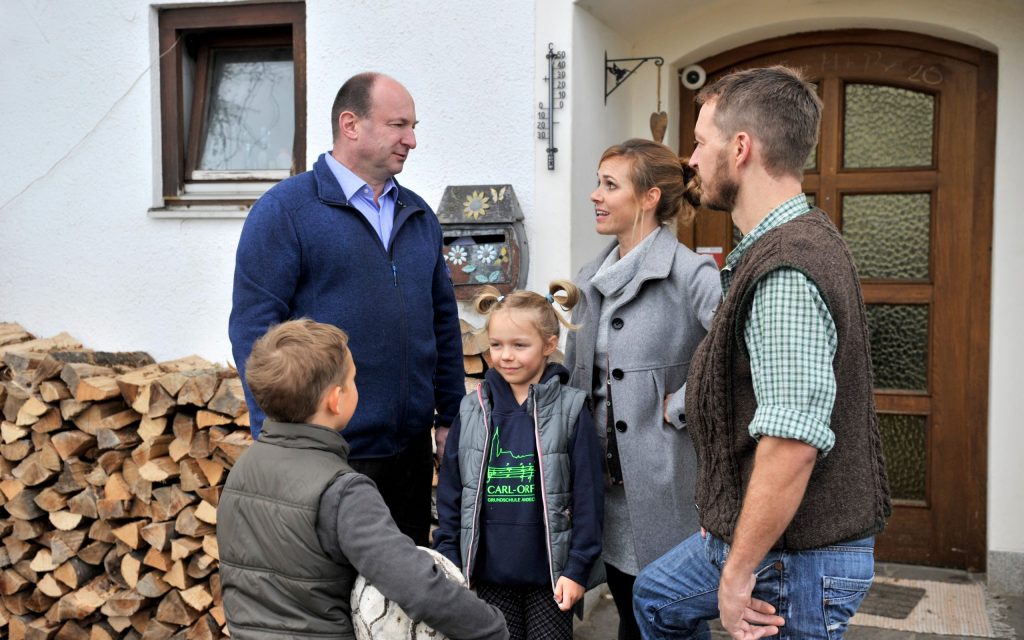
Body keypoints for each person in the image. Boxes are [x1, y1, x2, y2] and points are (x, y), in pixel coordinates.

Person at [632, 66, 892, 640]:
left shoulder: (785, 271)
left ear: (741, 147)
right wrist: (725, 519)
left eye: (701, 142)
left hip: (797, 560)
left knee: (653, 599)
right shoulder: (788, 241)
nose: (692, 159)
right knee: (654, 597)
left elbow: (791, 444)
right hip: (783, 544)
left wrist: (738, 569)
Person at [228, 72, 463, 547]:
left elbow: (442, 322)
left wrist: (449, 419)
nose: (411, 140)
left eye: (413, 126)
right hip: (325, 457)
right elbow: (253, 330)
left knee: (402, 605)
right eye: (398, 125)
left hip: (410, 457)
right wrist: (276, 437)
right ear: (350, 124)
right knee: (331, 603)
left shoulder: (418, 216)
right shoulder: (285, 212)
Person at [217, 319, 508, 640]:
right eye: (354, 379)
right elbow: (416, 586)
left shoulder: (244, 468)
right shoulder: (343, 491)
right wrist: (490, 626)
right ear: (335, 399)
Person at [562, 139, 720, 640]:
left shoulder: (690, 273)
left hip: (663, 489)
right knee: (632, 616)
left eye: (610, 185)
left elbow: (737, 361)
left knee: (667, 622)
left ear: (649, 197)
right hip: (600, 491)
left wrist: (682, 404)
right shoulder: (592, 277)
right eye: (598, 182)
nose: (595, 195)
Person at [433, 282, 605, 640]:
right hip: (489, 574)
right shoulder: (473, 408)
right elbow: (451, 491)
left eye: (519, 345)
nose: (505, 356)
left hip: (551, 577)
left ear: (549, 345)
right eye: (496, 345)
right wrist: (451, 557)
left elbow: (588, 498)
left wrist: (576, 570)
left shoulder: (571, 409)